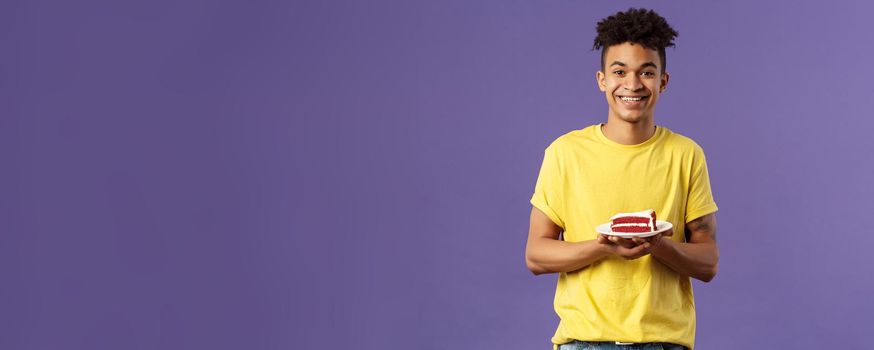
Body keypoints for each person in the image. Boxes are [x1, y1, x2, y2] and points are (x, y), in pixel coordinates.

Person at [525, 8, 719, 350]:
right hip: (583, 343)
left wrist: (658, 245)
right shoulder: (565, 153)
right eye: (620, 71)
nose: (632, 84)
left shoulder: (686, 154)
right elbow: (536, 255)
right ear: (602, 80)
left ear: (663, 81)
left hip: (664, 344)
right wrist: (603, 247)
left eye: (646, 72)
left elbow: (708, 262)